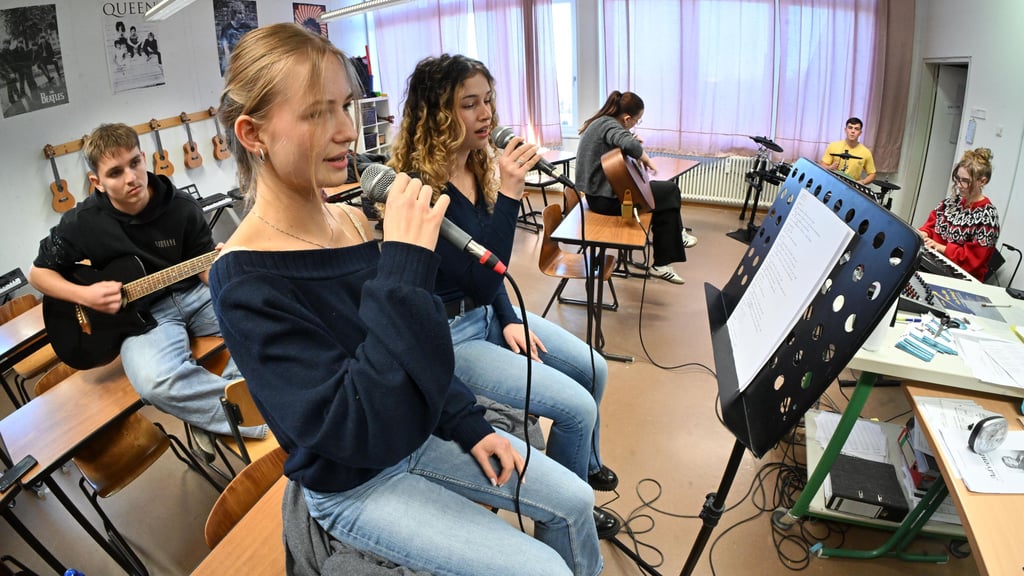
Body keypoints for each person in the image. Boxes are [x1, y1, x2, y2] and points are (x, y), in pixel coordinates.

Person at [208, 23, 602, 576]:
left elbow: (411, 348)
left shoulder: (347, 218)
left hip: (414, 433)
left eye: (346, 106)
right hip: (357, 479)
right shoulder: (244, 280)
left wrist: (467, 421)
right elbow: (350, 422)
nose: (347, 131)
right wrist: (405, 263)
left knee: (576, 501)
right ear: (253, 133)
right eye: (318, 113)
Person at [388, 54, 621, 539]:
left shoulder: (475, 165)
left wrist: (509, 316)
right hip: (452, 336)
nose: (486, 114)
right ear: (437, 115)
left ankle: (585, 467)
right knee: (577, 410)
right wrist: (513, 190)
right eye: (469, 104)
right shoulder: (421, 189)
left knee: (594, 369)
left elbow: (488, 286)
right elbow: (481, 275)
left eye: (488, 100)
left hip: (491, 313)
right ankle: (563, 515)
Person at [28, 122, 265, 458]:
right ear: (97, 182)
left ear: (144, 158)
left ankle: (210, 413)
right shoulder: (84, 221)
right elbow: (38, 274)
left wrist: (226, 272)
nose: (131, 177)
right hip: (141, 318)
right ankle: (249, 417)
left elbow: (203, 268)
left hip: (193, 295)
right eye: (115, 172)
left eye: (136, 163)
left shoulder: (181, 206)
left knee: (261, 321)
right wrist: (85, 295)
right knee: (154, 382)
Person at [575, 91, 694, 285]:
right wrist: (646, 159)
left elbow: (618, 146)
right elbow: (628, 142)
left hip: (599, 196)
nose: (636, 125)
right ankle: (671, 246)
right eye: (637, 121)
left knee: (663, 199)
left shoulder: (602, 123)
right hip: (603, 201)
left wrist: (628, 143)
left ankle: (663, 260)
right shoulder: (608, 124)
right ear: (627, 118)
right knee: (670, 191)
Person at [917, 148, 1000, 281]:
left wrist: (941, 248)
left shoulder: (987, 217)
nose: (959, 185)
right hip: (934, 265)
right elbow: (932, 226)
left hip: (960, 278)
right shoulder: (951, 202)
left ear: (982, 181)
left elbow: (972, 261)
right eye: (957, 179)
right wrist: (925, 233)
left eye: (965, 181)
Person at [820, 117, 876, 185]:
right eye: (850, 127)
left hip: (852, 187)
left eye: (856, 129)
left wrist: (862, 182)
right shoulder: (833, 146)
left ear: (860, 133)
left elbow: (872, 174)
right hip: (832, 183)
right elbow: (822, 165)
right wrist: (829, 167)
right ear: (845, 130)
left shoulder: (866, 152)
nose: (853, 131)